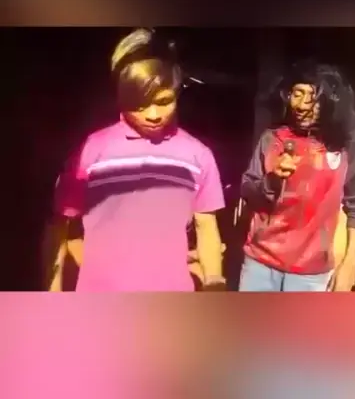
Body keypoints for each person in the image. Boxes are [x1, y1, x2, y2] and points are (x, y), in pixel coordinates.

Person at [47, 28, 225, 291]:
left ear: (177, 93)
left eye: (163, 101)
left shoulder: (198, 156)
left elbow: (207, 227)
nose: (153, 115)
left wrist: (213, 283)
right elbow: (60, 226)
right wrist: (53, 290)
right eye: (139, 104)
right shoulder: (91, 151)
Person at [239, 60, 355, 292]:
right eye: (297, 94)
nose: (302, 105)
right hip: (259, 263)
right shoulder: (272, 139)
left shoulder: (344, 146)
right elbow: (247, 190)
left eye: (313, 97)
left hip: (311, 273)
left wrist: (349, 264)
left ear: (331, 101)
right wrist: (272, 180)